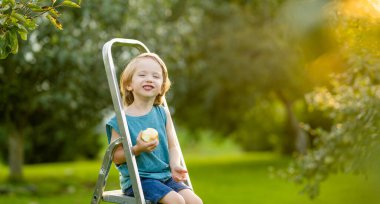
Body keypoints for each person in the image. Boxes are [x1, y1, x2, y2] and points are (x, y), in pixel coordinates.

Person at [105, 53, 203, 204]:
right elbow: (116, 156)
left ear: (161, 88)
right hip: (139, 180)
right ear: (129, 85)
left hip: (165, 177)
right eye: (142, 74)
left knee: (195, 201)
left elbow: (173, 145)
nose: (149, 79)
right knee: (176, 201)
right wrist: (137, 149)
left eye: (156, 76)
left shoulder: (162, 113)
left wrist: (175, 164)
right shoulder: (120, 119)